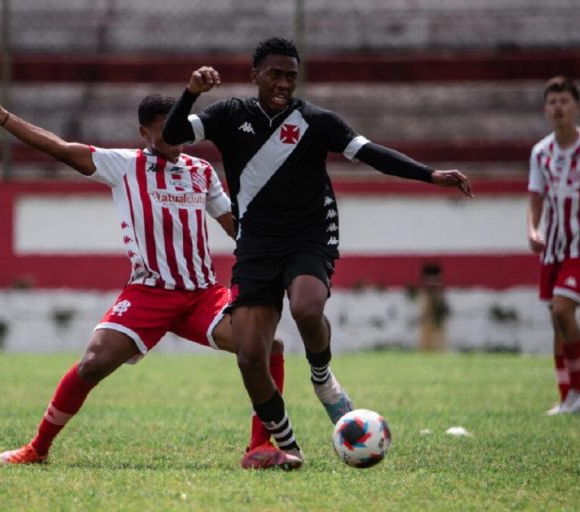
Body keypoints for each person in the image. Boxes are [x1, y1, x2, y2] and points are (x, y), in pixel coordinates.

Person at [163, 36, 473, 467]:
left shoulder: (316, 121)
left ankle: (323, 378)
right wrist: (192, 92)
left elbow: (371, 154)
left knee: (307, 307)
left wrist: (429, 174)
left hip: (310, 235)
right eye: (275, 74)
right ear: (255, 75)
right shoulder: (229, 115)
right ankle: (288, 447)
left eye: (291, 76)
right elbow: (173, 133)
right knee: (252, 357)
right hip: (256, 243)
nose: (284, 83)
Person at [0, 89, 300, 470]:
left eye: (180, 129)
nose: (176, 138)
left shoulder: (201, 172)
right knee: (92, 363)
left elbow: (236, 228)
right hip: (149, 293)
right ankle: (37, 449)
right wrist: (6, 119)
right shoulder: (123, 165)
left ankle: (258, 449)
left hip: (202, 296)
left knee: (267, 345)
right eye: (165, 131)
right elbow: (61, 148)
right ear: (144, 132)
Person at [527, 76, 580, 416]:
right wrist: (533, 229)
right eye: (552, 102)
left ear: (576, 107)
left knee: (564, 311)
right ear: (545, 108)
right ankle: (566, 396)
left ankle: (578, 392)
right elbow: (535, 196)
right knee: (555, 318)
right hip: (554, 245)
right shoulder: (541, 152)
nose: (558, 108)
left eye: (564, 101)